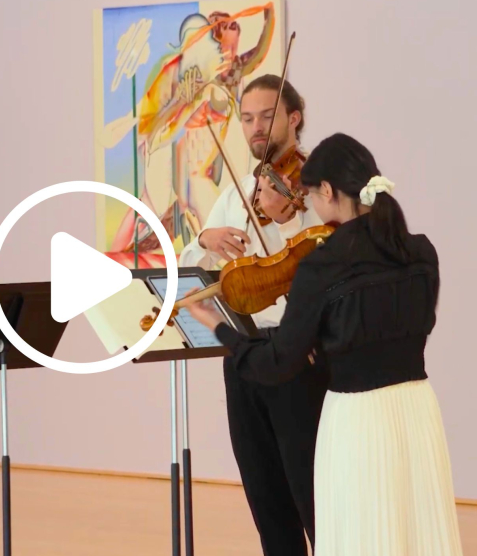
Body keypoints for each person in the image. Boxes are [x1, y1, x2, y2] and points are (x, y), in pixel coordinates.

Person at [186, 133, 464, 555]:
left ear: (329, 192)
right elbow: (405, 325)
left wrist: (222, 329)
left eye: (312, 195)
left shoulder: (322, 265)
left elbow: (277, 364)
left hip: (357, 419)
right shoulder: (422, 251)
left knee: (360, 534)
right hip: (417, 410)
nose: (311, 207)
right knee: (414, 531)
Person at [179, 74, 327, 555]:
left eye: (267, 116)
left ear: (293, 118)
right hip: (244, 353)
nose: (256, 127)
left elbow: (339, 255)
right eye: (247, 119)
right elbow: (188, 269)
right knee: (265, 498)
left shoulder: (320, 188)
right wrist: (204, 239)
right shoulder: (240, 190)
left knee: (316, 499)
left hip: (302, 354)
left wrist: (291, 219)